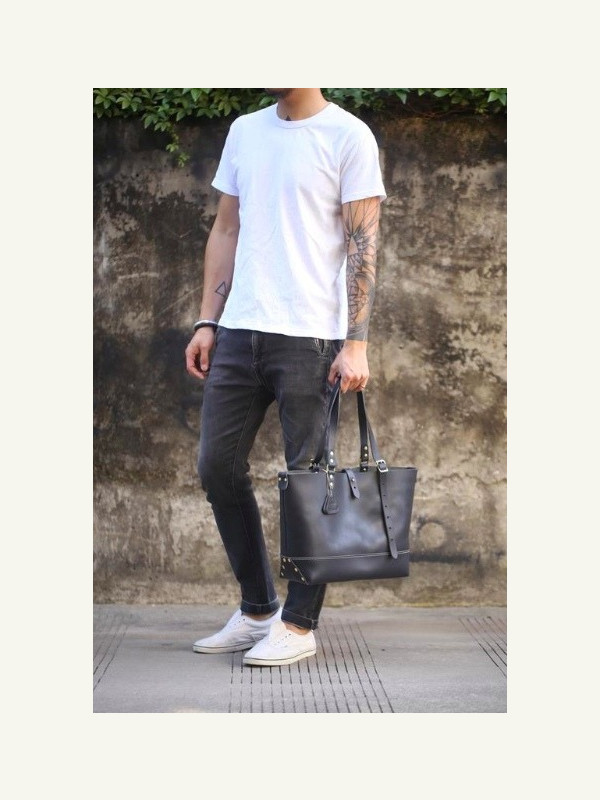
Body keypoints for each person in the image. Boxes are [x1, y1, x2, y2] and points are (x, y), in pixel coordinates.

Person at [185, 88, 386, 667]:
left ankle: (298, 625)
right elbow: (226, 229)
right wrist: (207, 320)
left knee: (309, 482)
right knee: (217, 467)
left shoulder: (348, 135)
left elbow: (363, 243)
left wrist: (356, 342)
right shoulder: (245, 130)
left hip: (311, 337)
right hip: (239, 329)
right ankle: (257, 610)